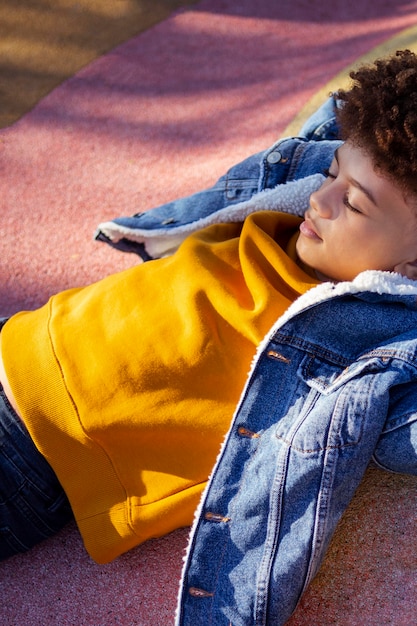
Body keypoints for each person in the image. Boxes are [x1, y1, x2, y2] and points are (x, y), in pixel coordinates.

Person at [2, 49, 417, 625]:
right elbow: (350, 118)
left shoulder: (370, 346)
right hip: (21, 336)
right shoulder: (308, 198)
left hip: (33, 452)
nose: (320, 200)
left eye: (350, 202)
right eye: (333, 176)